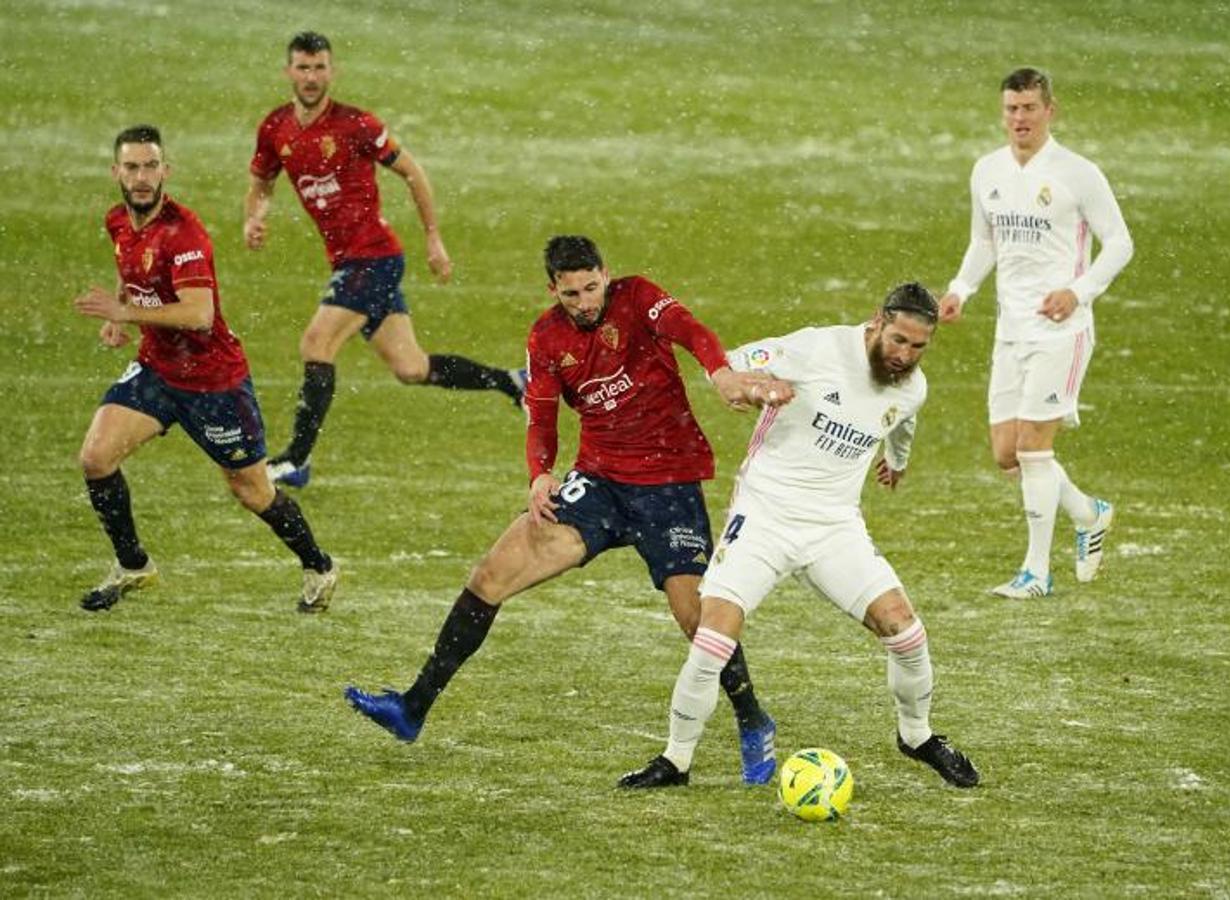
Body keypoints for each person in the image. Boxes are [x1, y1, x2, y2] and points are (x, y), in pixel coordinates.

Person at [345, 236, 795, 784]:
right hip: (599, 483)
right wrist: (540, 473)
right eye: (570, 293)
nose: (583, 302)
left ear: (605, 275)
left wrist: (720, 371)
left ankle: (753, 719)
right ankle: (413, 707)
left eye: (590, 287)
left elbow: (691, 331)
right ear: (551, 289)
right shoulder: (545, 336)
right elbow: (540, 415)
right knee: (490, 576)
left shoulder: (639, 298)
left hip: (668, 483)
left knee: (697, 620)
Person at [619, 284, 979, 790]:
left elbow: (900, 420)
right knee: (713, 640)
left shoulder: (912, 386)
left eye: (918, 347)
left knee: (904, 629)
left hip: (835, 527)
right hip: (765, 515)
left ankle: (916, 736)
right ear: (877, 321)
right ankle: (675, 761)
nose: (904, 356)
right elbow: (729, 363)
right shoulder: (816, 348)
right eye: (898, 341)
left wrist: (896, 462)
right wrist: (752, 387)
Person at [73, 125, 338, 614]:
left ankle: (319, 566)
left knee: (252, 490)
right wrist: (123, 304)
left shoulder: (184, 233)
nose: (141, 176)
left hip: (213, 382)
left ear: (165, 171)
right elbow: (131, 266)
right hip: (156, 370)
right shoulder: (118, 220)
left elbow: (200, 315)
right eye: (131, 167)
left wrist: (123, 313)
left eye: (151, 166)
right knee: (96, 457)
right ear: (116, 172)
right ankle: (133, 565)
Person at [244, 31, 524, 489]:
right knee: (411, 367)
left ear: (333, 71)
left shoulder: (356, 124)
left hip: (373, 259)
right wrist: (254, 218)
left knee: (317, 344)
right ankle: (513, 382)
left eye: (319, 68)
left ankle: (297, 458)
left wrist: (434, 239)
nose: (311, 77)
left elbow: (412, 171)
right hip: (350, 262)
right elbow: (260, 181)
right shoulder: (276, 128)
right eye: (303, 67)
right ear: (288, 72)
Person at [938, 67, 1134, 599]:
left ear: (1051, 110)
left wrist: (1079, 290)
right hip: (1011, 331)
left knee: (1033, 449)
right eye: (1011, 109)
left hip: (1061, 332)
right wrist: (961, 289)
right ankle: (1089, 513)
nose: (1019, 118)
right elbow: (985, 241)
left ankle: (1036, 571)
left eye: (1028, 108)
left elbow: (1119, 243)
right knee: (1007, 452)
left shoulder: (1078, 173)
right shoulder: (987, 171)